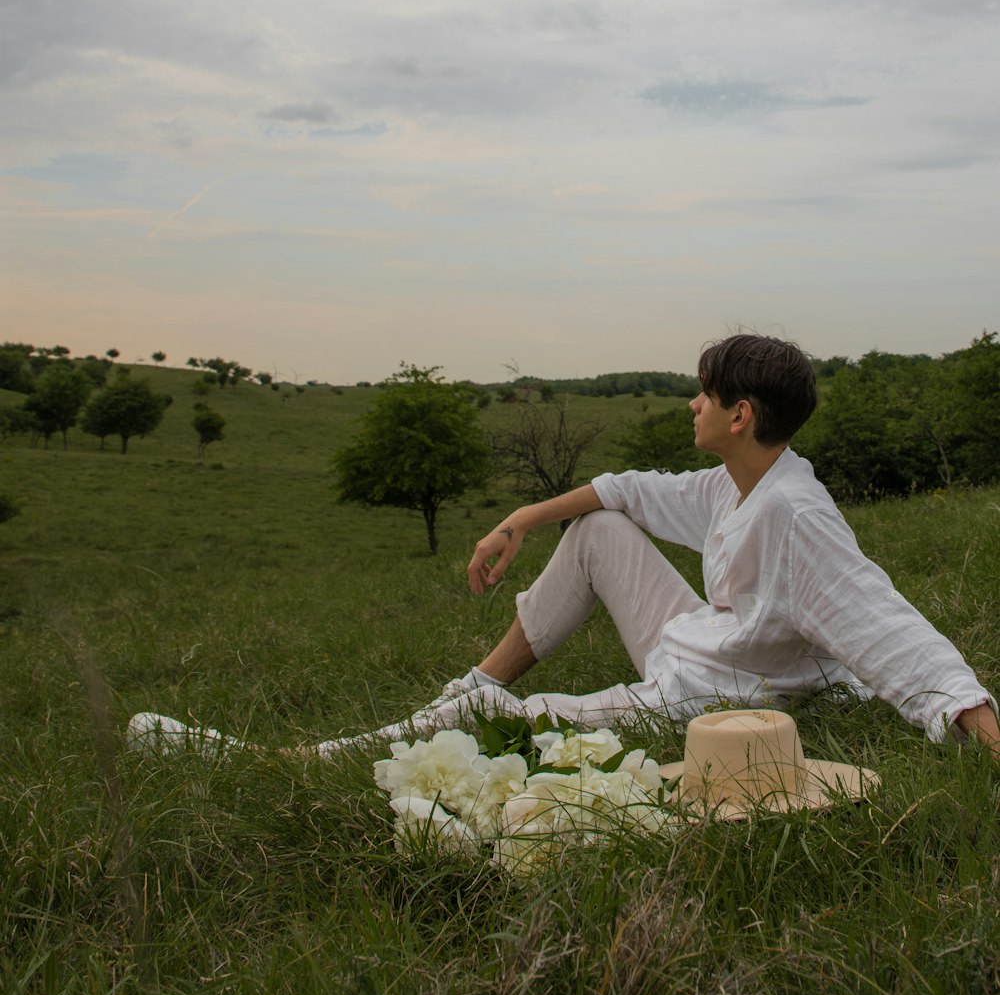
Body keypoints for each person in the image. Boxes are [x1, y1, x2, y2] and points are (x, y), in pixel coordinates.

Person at [128, 333, 999, 760]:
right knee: (600, 528)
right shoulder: (741, 484)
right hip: (693, 647)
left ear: (740, 416)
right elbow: (626, 490)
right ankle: (476, 680)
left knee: (504, 727)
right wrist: (518, 521)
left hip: (708, 697)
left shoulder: (795, 514)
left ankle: (293, 760)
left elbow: (886, 622)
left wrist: (973, 717)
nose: (690, 406)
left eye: (703, 396)